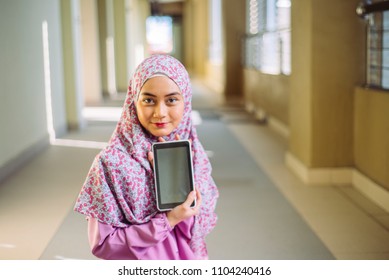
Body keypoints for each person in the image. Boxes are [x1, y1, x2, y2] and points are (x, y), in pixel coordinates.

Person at [74, 54, 219, 260]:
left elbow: (199, 227)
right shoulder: (111, 163)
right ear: (134, 102)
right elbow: (103, 245)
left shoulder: (194, 155)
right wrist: (166, 221)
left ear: (186, 101)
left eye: (171, 100)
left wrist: (175, 179)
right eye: (149, 100)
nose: (160, 112)